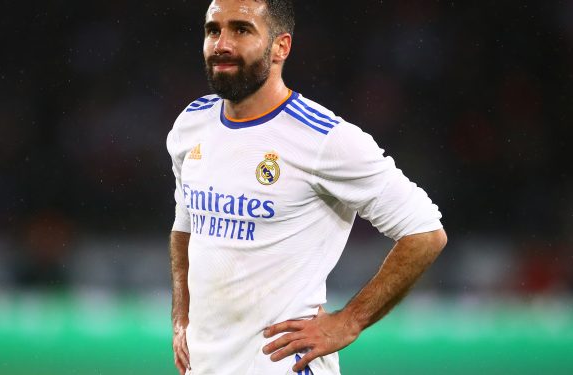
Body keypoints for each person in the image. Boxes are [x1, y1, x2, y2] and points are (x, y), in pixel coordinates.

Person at [166, 1, 447, 374]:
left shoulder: (324, 139)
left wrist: (349, 321)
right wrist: (181, 317)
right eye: (213, 30)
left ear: (281, 46)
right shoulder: (191, 123)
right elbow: (186, 227)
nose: (222, 44)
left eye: (242, 30)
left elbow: (425, 231)